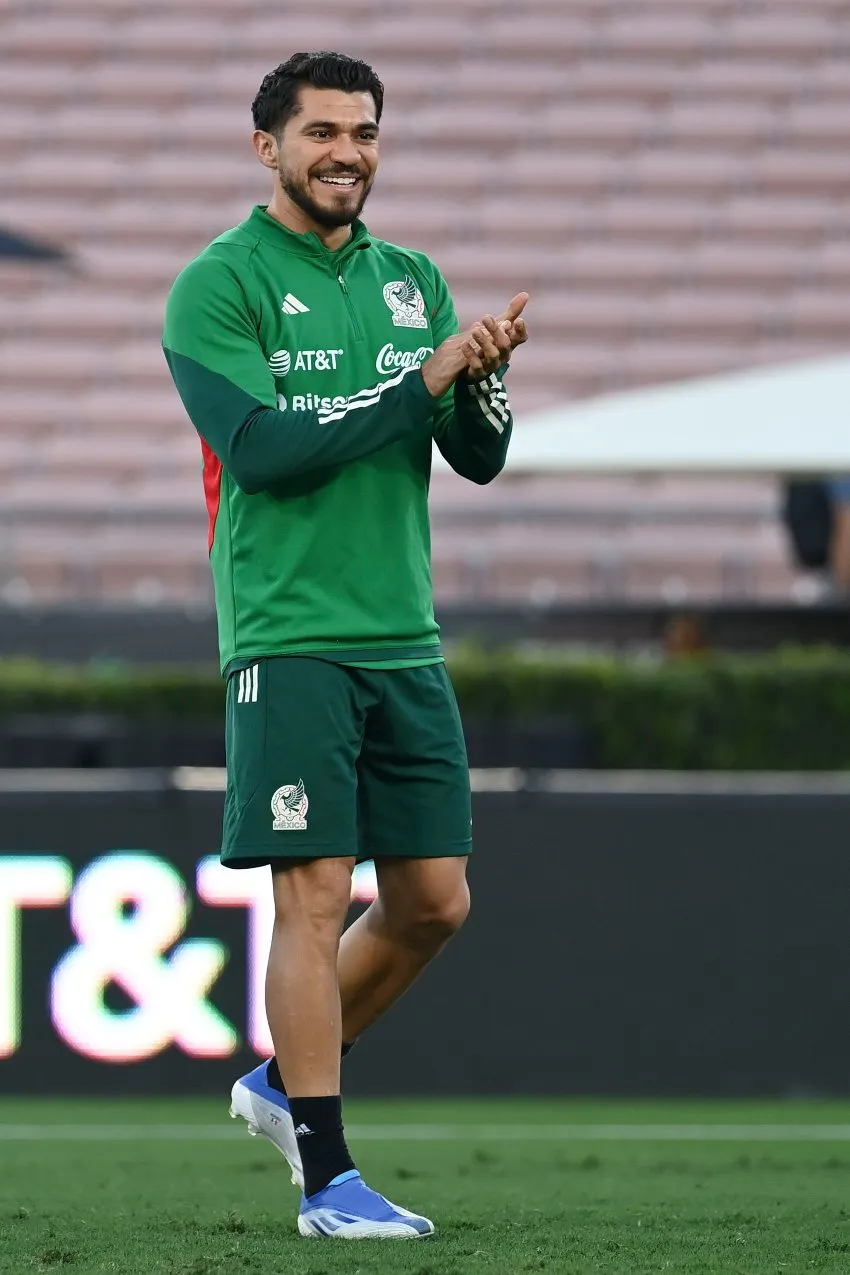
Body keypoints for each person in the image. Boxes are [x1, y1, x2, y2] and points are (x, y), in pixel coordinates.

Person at [162, 50, 528, 1241]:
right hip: (290, 631)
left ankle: (279, 1084)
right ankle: (327, 1180)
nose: (346, 153)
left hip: (402, 635)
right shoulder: (218, 286)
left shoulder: (411, 277)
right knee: (312, 898)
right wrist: (420, 387)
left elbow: (474, 459)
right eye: (321, 132)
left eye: (363, 133)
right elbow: (262, 451)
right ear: (267, 147)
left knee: (432, 904)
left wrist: (480, 388)